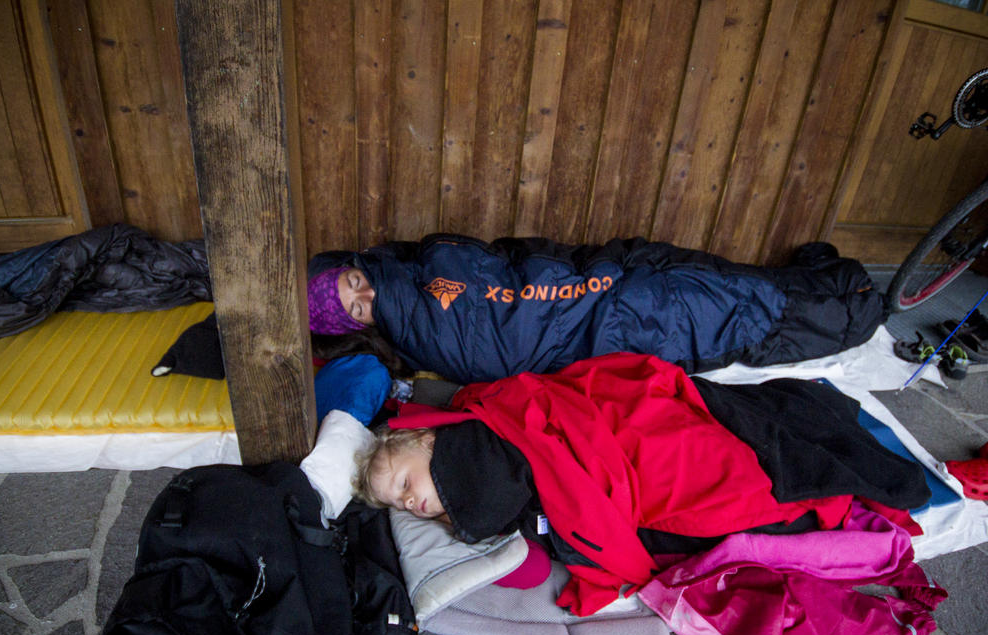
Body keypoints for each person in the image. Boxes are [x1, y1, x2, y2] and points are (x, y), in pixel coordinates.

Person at [355, 352, 930, 616]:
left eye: (405, 481)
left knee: (727, 474)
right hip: (598, 475)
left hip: (629, 446)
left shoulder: (474, 439)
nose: (409, 501)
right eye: (401, 503)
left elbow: (555, 419)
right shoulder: (467, 498)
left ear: (429, 443)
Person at [308, 234, 887, 384]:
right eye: (356, 309)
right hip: (615, 321)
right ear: (357, 328)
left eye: (355, 282)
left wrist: (594, 267)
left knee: (714, 281)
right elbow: (500, 344)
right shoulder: (417, 338)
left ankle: (822, 280)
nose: (368, 296)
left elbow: (513, 260)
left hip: (599, 282)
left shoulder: (429, 257)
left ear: (359, 265)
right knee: (730, 308)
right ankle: (853, 304)